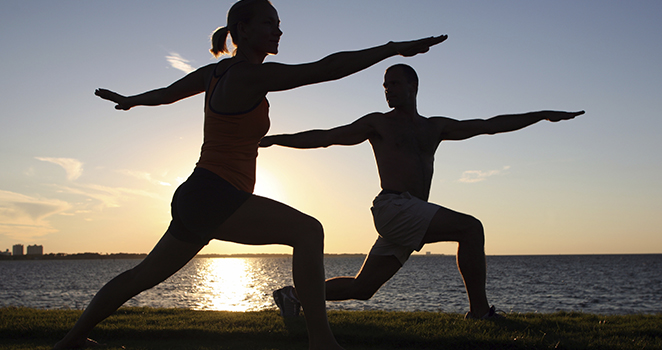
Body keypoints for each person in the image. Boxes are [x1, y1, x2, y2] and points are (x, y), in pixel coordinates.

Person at [52, 1, 446, 348]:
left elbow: (169, 92)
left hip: (200, 195)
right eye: (269, 23)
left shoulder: (215, 73)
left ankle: (71, 340)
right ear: (242, 29)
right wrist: (393, 48)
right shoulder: (248, 75)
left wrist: (133, 100)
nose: (279, 30)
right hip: (215, 194)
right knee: (309, 231)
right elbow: (327, 69)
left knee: (141, 276)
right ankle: (322, 342)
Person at [261, 63, 584, 320]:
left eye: (395, 83)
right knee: (470, 229)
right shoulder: (379, 124)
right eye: (385, 85)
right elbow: (328, 136)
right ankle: (480, 312)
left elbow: (489, 124)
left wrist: (541, 115)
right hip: (394, 208)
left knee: (363, 288)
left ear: (413, 87)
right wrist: (278, 139)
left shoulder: (434, 127)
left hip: (410, 212)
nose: (388, 90)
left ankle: (294, 295)